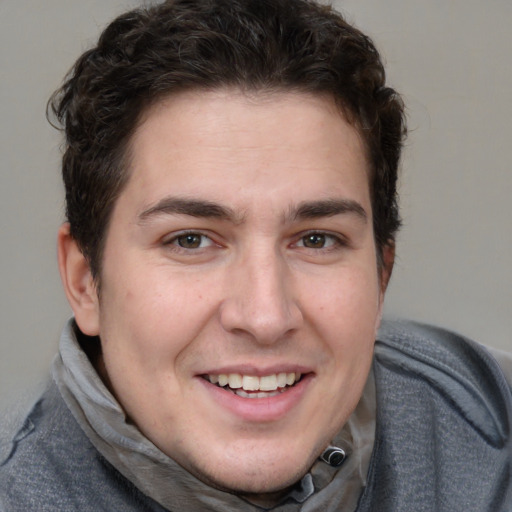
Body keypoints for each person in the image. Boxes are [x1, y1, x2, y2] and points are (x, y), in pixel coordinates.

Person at [0, 0, 510, 510]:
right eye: (191, 240)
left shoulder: (493, 431)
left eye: (316, 239)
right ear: (85, 280)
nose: (265, 317)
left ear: (381, 277)